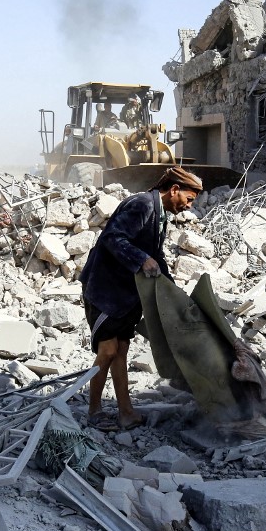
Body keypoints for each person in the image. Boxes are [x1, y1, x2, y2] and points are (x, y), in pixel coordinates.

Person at [79, 166, 204, 431]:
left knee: (121, 351)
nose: (188, 206)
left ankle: (126, 413)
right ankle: (94, 411)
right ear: (174, 190)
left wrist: (173, 292)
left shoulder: (160, 214)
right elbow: (113, 237)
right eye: (189, 199)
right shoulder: (143, 204)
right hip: (105, 289)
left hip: (126, 293)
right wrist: (141, 259)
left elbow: (156, 255)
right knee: (108, 350)